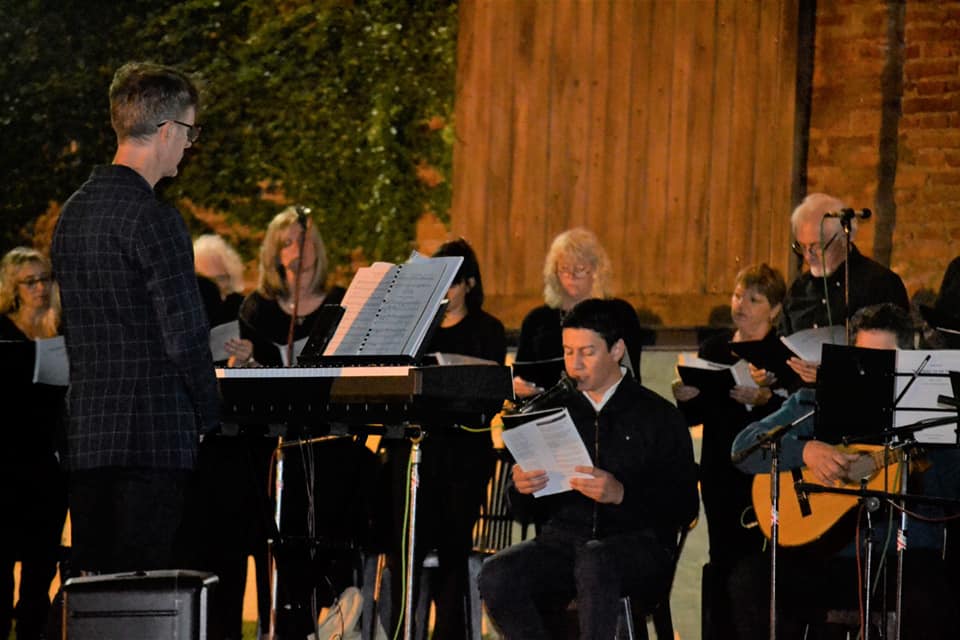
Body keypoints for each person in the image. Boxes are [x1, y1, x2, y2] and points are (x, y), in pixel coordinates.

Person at [50, 61, 219, 575]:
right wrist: (209, 414)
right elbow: (185, 334)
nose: (189, 146)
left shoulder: (72, 214)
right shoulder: (156, 218)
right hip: (154, 435)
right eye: (189, 133)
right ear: (166, 131)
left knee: (97, 589)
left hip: (88, 436)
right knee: (145, 590)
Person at [730, 303, 959, 639]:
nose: (873, 371)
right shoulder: (813, 400)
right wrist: (805, 450)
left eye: (887, 361)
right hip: (826, 558)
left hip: (905, 559)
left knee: (933, 598)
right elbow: (744, 448)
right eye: (864, 358)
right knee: (751, 582)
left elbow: (951, 494)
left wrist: (936, 448)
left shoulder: (937, 413)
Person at [479, 298, 699, 640]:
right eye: (568, 352)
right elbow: (523, 513)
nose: (575, 364)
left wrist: (622, 494)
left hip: (636, 547)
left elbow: (684, 505)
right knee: (497, 574)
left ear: (616, 350)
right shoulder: (552, 410)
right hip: (564, 544)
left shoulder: (656, 416)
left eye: (587, 352)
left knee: (596, 561)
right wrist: (521, 487)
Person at [237, 206, 377, 638]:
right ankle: (300, 614)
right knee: (285, 494)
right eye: (288, 242)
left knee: (360, 469)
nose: (299, 250)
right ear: (274, 254)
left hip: (328, 434)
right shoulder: (257, 309)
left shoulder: (340, 303)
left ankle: (341, 590)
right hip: (276, 441)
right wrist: (247, 362)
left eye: (305, 240)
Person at [379, 238, 507, 639]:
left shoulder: (488, 329)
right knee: (404, 551)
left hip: (463, 453)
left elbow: (490, 395)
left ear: (469, 283)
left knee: (453, 551)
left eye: (453, 283)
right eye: (440, 283)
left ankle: (448, 632)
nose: (447, 292)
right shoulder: (417, 330)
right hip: (416, 449)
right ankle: (400, 628)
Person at [672, 263, 787, 639]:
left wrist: (763, 400)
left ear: (774, 309)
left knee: (756, 564)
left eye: (754, 299)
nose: (741, 304)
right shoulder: (715, 347)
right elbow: (696, 416)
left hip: (763, 475)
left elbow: (791, 420)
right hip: (720, 468)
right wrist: (686, 398)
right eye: (738, 295)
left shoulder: (783, 355)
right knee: (720, 558)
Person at [0, 248, 68, 640]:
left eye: (45, 279)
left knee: (41, 564)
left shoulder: (59, 330)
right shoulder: (3, 330)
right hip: (8, 464)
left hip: (48, 466)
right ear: (14, 287)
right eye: (31, 281)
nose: (41, 288)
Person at [779, 193, 909, 384]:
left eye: (816, 246)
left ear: (843, 238)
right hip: (800, 397)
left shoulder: (879, 283)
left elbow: (893, 358)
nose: (808, 256)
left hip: (855, 399)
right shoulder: (799, 288)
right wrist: (768, 374)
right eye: (801, 246)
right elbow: (781, 342)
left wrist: (833, 373)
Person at [513, 228, 646, 399]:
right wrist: (518, 387)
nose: (571, 276)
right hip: (549, 410)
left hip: (607, 409)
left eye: (580, 269)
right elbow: (521, 374)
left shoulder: (619, 314)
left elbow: (631, 374)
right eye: (564, 269)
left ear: (597, 271)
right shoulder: (537, 320)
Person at [194, 234, 246, 325]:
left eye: (220, 278)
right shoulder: (189, 314)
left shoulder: (244, 310)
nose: (212, 287)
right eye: (205, 280)